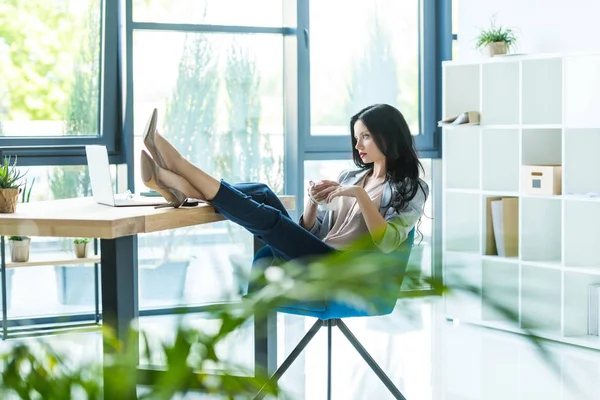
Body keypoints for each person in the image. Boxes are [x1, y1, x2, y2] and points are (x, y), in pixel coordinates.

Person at [140, 104, 429, 264]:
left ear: (388, 136)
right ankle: (175, 182)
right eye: (357, 137)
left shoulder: (411, 189)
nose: (358, 145)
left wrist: (359, 196)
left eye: (365, 136)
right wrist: (312, 203)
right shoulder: (351, 177)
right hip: (318, 250)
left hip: (337, 268)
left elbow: (389, 242)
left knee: (271, 219)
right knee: (262, 192)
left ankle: (177, 167)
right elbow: (314, 232)